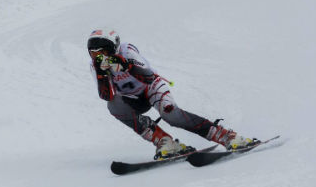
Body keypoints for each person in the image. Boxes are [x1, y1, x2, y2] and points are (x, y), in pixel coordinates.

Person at [87, 28, 255, 159]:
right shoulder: (95, 66)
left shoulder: (127, 51)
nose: (99, 57)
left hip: (151, 88)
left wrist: (126, 66)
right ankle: (164, 142)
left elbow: (148, 76)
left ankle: (226, 136)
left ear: (113, 47)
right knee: (113, 106)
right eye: (93, 53)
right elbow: (107, 96)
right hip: (133, 99)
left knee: (171, 115)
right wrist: (103, 74)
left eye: (102, 52)